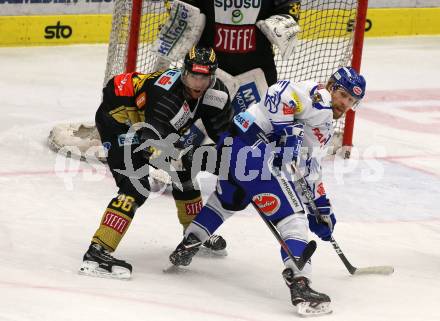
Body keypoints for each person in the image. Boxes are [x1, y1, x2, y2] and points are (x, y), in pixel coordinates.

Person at [167, 67, 366, 316]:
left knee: (229, 201)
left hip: (231, 146)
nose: (345, 104)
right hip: (253, 150)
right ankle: (300, 284)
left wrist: (320, 206)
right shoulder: (320, 99)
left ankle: (189, 243)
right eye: (344, 95)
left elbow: (308, 166)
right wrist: (286, 133)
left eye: (352, 101)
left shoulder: (323, 124)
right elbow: (277, 91)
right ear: (332, 87)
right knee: (292, 219)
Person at [79, 46, 234, 279]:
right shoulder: (167, 96)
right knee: (136, 186)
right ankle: (97, 252)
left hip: (151, 126)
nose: (197, 84)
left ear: (212, 77)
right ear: (184, 73)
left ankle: (194, 233)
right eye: (193, 76)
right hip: (119, 123)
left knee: (185, 169)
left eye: (204, 77)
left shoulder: (217, 95)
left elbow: (227, 139)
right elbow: (151, 142)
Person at [155, 0, 301, 110]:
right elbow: (184, 10)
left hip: (259, 73)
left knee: (259, 136)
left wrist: (285, 18)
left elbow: (289, 8)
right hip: (206, 73)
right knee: (203, 140)